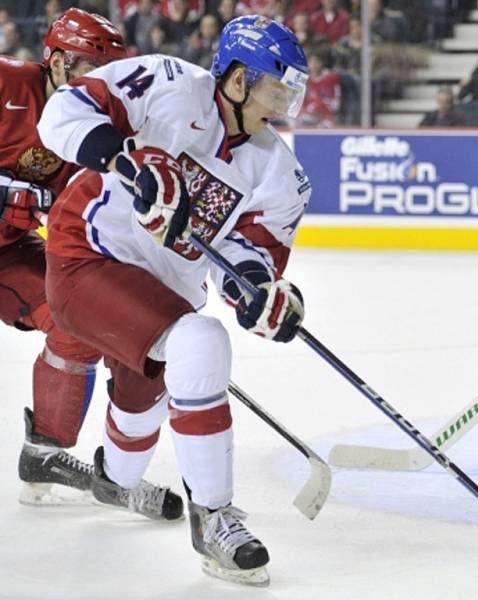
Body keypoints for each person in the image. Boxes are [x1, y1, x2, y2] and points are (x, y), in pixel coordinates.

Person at [37, 16, 311, 586]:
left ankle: (112, 476)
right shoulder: (167, 84)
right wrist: (124, 160)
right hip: (88, 256)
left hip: (159, 296)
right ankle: (214, 518)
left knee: (133, 444)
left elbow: (250, 256)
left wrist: (262, 295)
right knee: (201, 342)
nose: (282, 103)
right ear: (237, 80)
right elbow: (61, 113)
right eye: (274, 88)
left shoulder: (279, 170)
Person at [0, 8, 128, 506]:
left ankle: (44, 450)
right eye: (80, 68)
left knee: (76, 322)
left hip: (9, 253)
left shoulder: (98, 129)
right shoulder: (6, 82)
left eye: (99, 74)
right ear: (53, 60)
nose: (89, 83)